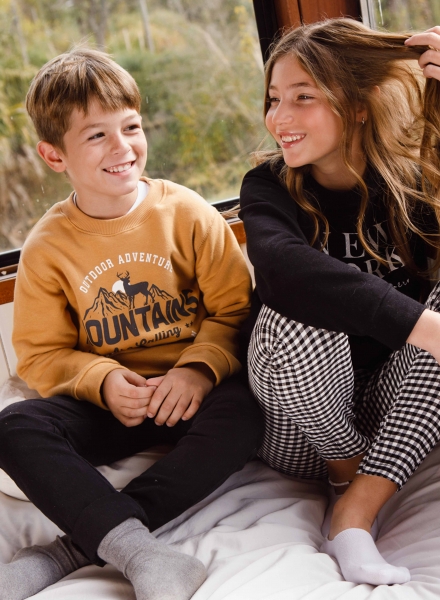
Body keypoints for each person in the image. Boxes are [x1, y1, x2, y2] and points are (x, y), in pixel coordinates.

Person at [0, 47, 264, 600]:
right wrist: (101, 381)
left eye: (131, 127)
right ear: (54, 155)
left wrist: (197, 370)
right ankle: (142, 553)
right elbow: (40, 355)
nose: (122, 147)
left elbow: (237, 311)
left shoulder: (188, 213)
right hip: (111, 404)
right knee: (13, 426)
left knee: (246, 411)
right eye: (97, 135)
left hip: (194, 395)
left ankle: (72, 551)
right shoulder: (47, 247)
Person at [239, 18, 440, 587]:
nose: (279, 117)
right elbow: (283, 271)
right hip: (301, 429)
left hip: (392, 413)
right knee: (293, 314)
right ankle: (345, 471)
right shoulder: (267, 186)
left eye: (303, 97)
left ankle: (355, 512)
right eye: (274, 99)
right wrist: (424, 327)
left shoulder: (409, 181)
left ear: (357, 105)